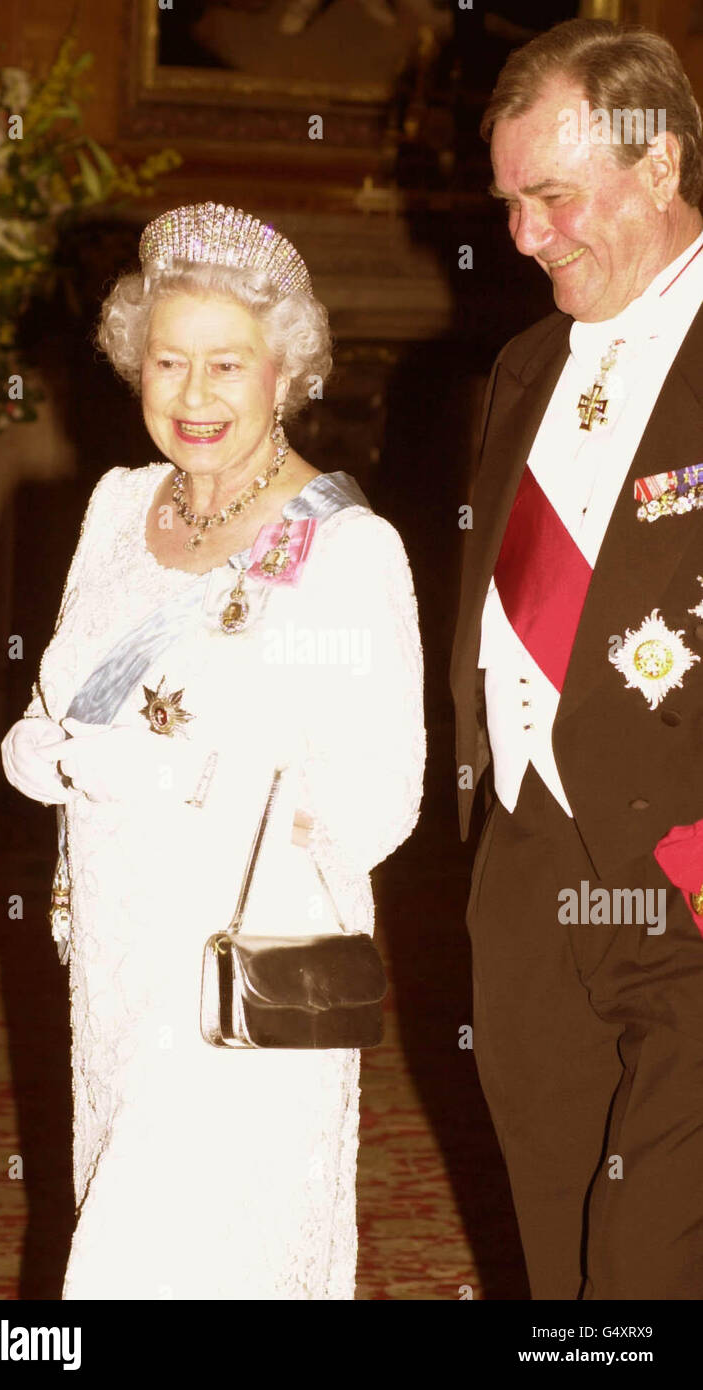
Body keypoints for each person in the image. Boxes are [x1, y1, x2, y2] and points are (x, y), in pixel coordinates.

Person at [1, 201, 425, 1300]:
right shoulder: (116, 506)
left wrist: (191, 783)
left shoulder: (342, 550)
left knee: (193, 1257)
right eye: (168, 362)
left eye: (225, 365)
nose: (192, 398)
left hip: (242, 968)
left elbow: (378, 798)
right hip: (113, 951)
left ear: (284, 374)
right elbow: (75, 686)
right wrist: (44, 744)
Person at [450, 19, 703, 1300]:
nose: (523, 238)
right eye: (507, 204)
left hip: (685, 874)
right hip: (533, 865)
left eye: (551, 196)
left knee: (651, 1260)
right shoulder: (522, 363)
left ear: (656, 166)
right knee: (557, 1250)